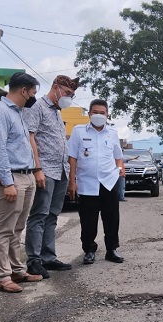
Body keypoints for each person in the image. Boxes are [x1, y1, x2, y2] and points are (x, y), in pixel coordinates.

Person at [0, 71, 43, 293]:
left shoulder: (17, 112)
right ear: (23, 90)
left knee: (18, 228)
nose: (33, 97)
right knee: (5, 229)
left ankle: (17, 269)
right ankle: (2, 276)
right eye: (33, 93)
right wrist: (7, 182)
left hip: (25, 175)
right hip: (12, 177)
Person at [23, 75, 78, 279]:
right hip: (45, 170)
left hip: (61, 170)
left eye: (72, 95)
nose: (69, 98)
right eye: (67, 93)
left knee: (53, 215)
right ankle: (34, 260)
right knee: (40, 214)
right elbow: (30, 137)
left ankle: (48, 256)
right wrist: (37, 168)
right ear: (55, 88)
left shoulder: (57, 112)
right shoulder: (37, 107)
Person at [67, 98, 125, 264]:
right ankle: (89, 250)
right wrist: (72, 181)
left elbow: (118, 157)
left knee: (112, 218)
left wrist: (119, 171)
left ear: (107, 115)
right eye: (95, 112)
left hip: (109, 182)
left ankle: (112, 249)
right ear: (89, 114)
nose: (98, 115)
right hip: (87, 184)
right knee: (88, 220)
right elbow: (72, 158)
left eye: (102, 113)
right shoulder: (79, 132)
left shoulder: (112, 134)